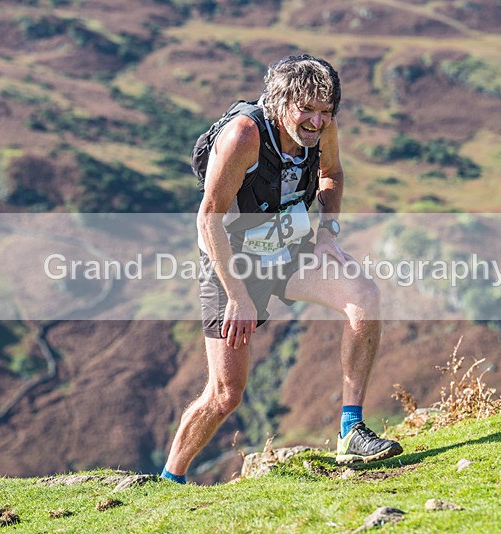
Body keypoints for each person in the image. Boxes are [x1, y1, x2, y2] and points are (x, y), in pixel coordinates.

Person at [161, 54, 402, 484]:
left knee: (364, 297)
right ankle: (170, 478)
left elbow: (332, 174)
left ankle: (352, 432)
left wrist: (327, 232)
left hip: (289, 250)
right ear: (279, 102)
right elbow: (208, 219)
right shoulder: (243, 136)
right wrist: (236, 296)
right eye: (306, 110)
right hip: (232, 262)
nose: (316, 121)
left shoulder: (323, 128)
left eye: (326, 112)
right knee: (225, 395)